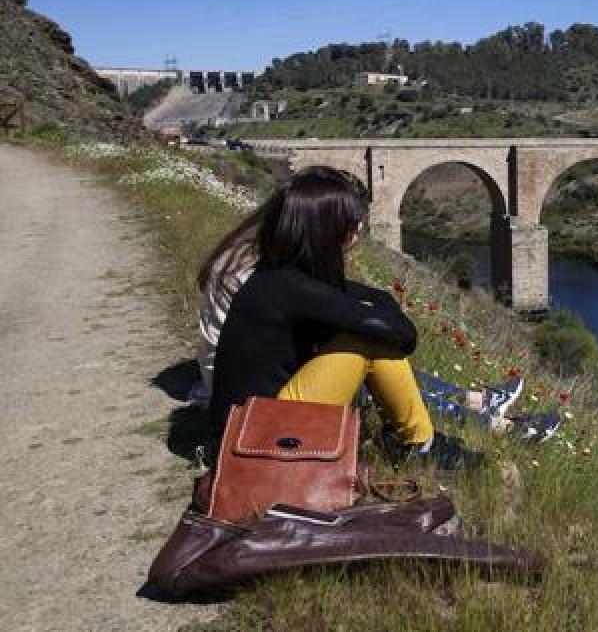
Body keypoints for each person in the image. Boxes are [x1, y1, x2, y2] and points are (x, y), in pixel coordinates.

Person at [201, 167, 556, 470]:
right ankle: (422, 445)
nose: (357, 235)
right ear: (328, 232)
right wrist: (382, 309)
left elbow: (360, 298)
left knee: (365, 338)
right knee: (368, 341)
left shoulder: (278, 277)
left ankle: (420, 441)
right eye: (351, 227)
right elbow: (403, 335)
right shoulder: (295, 289)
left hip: (248, 431)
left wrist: (379, 299)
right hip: (255, 445)